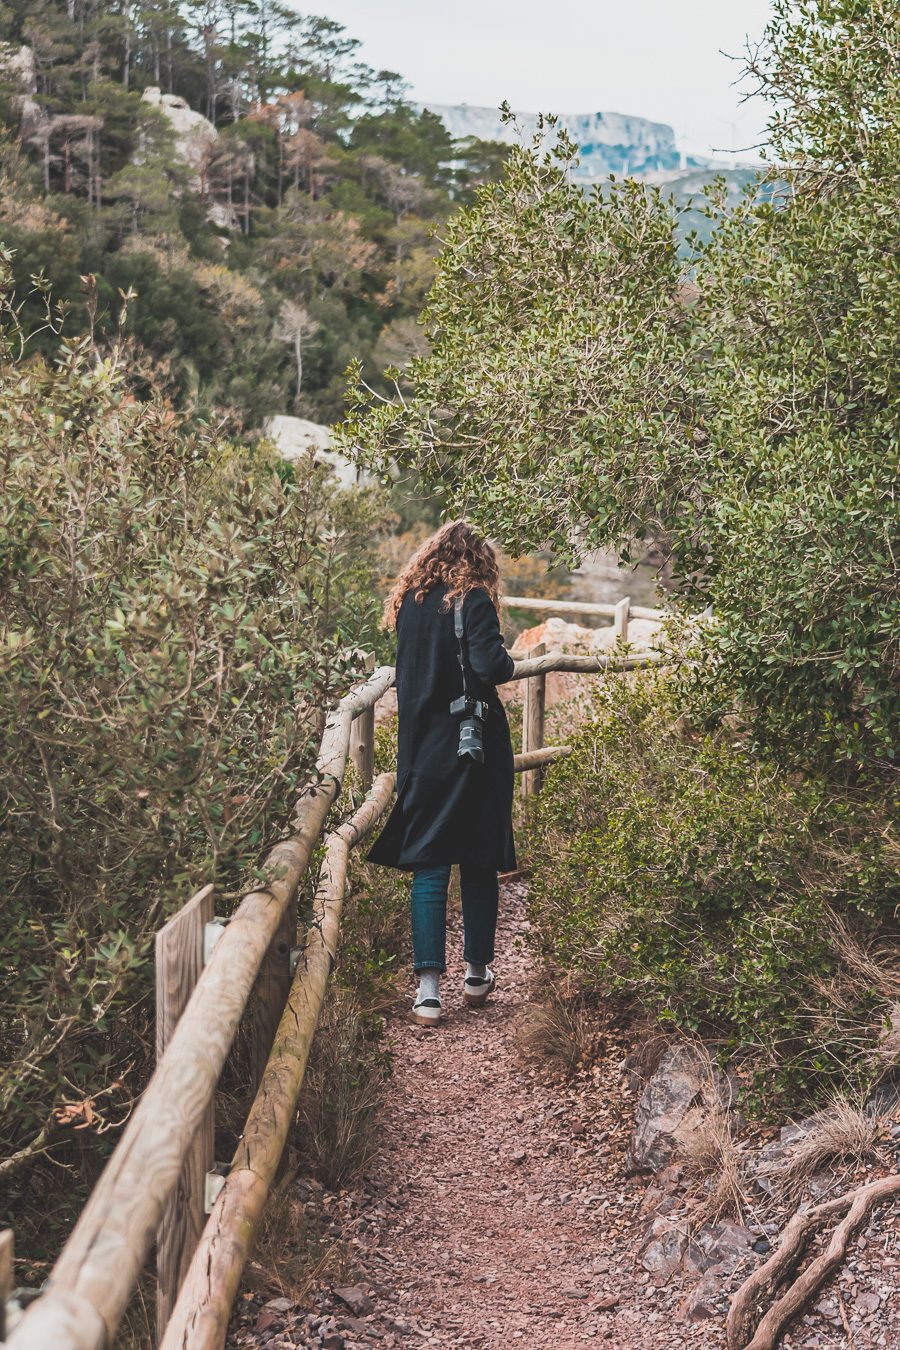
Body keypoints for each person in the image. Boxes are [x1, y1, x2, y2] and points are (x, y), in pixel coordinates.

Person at [367, 520, 517, 1025]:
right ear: (480, 562)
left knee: (429, 866)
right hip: (471, 748)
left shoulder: (410, 603)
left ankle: (428, 993)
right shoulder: (472, 600)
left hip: (421, 751)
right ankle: (477, 975)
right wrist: (508, 661)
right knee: (478, 859)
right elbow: (490, 665)